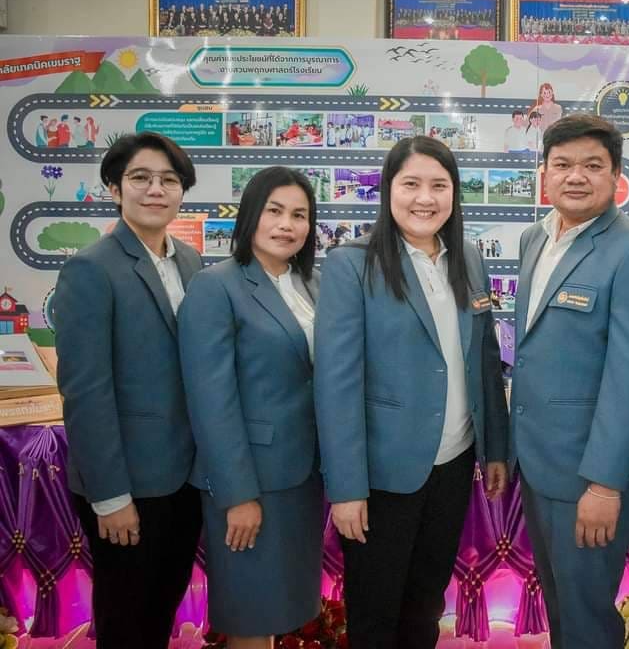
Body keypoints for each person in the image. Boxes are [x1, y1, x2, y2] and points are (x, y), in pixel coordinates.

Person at [315, 136, 509, 648]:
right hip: (382, 475)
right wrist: (347, 488)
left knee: (425, 606)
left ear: (454, 193)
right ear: (388, 190)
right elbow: (337, 383)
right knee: (375, 612)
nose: (425, 198)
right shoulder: (352, 264)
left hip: (453, 465)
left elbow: (485, 358)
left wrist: (494, 448)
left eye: (439, 185)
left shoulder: (468, 257)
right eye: (411, 184)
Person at [510, 115, 629, 648]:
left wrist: (605, 484)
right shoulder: (535, 238)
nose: (575, 176)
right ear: (545, 173)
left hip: (588, 476)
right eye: (562, 164)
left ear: (616, 175)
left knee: (586, 616)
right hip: (537, 464)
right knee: (561, 604)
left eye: (592, 165)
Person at [53, 132, 202, 649]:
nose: (155, 189)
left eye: (169, 180)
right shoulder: (91, 268)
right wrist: (110, 496)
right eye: (140, 178)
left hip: (185, 477)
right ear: (115, 189)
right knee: (125, 618)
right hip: (127, 482)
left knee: (161, 607)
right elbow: (85, 391)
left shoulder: (189, 260)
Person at [178, 166, 322, 648]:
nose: (287, 225)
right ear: (250, 215)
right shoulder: (216, 285)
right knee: (250, 617)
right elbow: (210, 400)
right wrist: (237, 495)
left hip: (303, 477)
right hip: (250, 480)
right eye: (274, 211)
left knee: (285, 609)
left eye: (299, 215)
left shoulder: (314, 284)